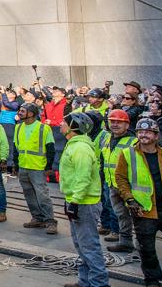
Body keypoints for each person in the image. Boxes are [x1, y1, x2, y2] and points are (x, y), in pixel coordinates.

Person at [115, 117, 162, 287]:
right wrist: (129, 199)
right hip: (144, 210)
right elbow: (120, 178)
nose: (143, 135)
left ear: (156, 136)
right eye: (140, 132)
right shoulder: (128, 154)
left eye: (147, 132)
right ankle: (152, 280)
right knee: (147, 249)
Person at [61, 112, 108, 287]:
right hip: (77, 200)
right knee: (81, 245)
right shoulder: (74, 145)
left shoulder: (80, 148)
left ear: (73, 127)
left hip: (83, 202)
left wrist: (75, 201)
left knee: (89, 246)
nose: (61, 124)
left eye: (64, 122)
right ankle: (85, 281)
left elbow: (83, 177)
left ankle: (99, 283)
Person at [12, 103, 57, 234]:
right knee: (29, 194)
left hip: (38, 167)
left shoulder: (44, 128)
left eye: (22, 111)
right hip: (23, 166)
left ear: (31, 113)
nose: (19, 113)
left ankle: (50, 221)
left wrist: (48, 166)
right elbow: (16, 148)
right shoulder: (18, 128)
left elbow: (50, 149)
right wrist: (16, 164)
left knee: (42, 195)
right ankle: (37, 218)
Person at [99, 109, 136, 253]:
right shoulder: (107, 139)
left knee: (136, 217)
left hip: (128, 185)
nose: (115, 124)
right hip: (111, 183)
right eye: (112, 121)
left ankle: (140, 244)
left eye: (119, 122)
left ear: (127, 125)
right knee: (120, 214)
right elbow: (104, 160)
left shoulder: (133, 141)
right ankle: (125, 241)